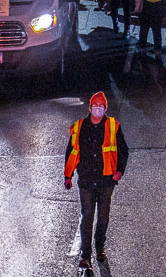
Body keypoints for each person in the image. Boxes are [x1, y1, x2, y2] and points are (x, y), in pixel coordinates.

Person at [63, 91, 130, 270]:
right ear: (90, 108)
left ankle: (99, 246)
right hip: (85, 180)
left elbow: (123, 151)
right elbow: (71, 152)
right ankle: (86, 256)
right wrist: (67, 176)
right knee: (87, 217)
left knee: (103, 217)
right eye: (95, 106)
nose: (98, 110)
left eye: (101, 107)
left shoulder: (113, 126)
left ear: (105, 108)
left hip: (106, 181)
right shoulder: (79, 127)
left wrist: (119, 171)